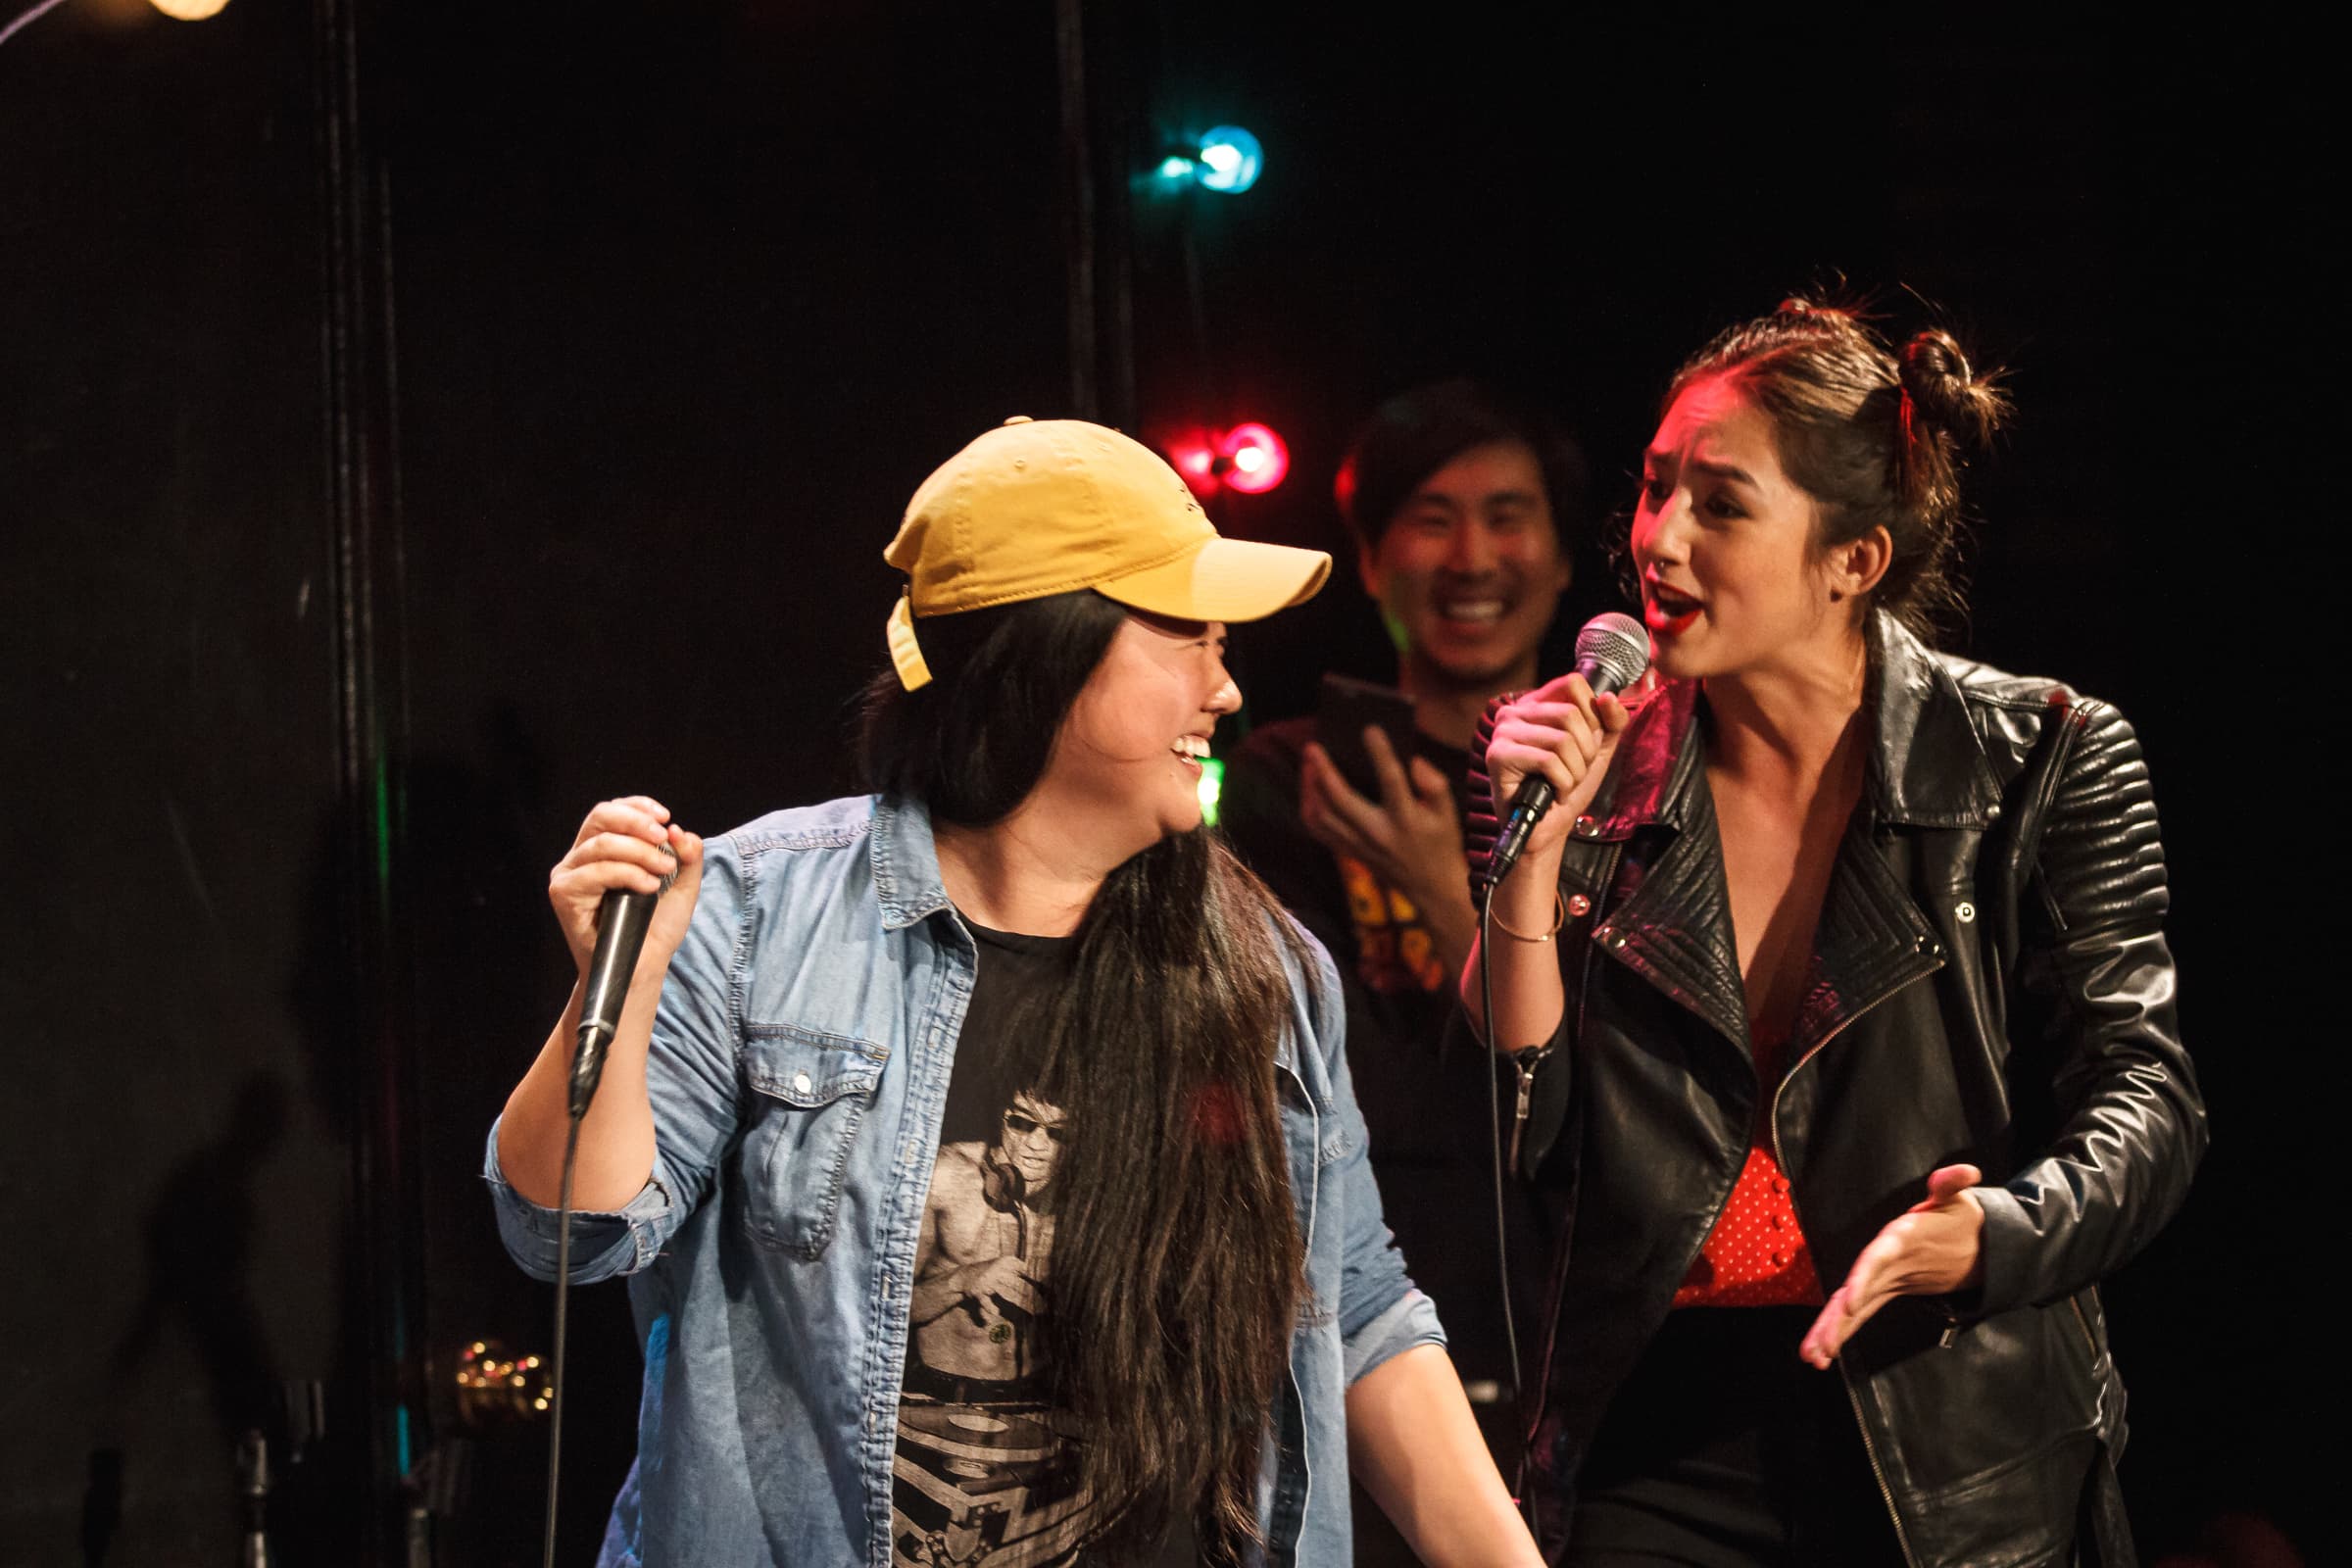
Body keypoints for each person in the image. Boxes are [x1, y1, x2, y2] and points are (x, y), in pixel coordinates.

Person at [486, 416, 1543, 1566]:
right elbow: (567, 1231)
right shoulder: (757, 916)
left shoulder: (1265, 966)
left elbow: (1358, 1306)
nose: (1225, 686)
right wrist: (614, 992)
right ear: (1045, 648)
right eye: (1187, 636)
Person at [1468, 302, 2205, 1566]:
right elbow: (1520, 1124)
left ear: (1852, 559)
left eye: (1720, 504)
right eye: (1654, 487)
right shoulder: (1588, 762)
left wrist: (1994, 1233)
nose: (1659, 538)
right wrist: (1529, 865)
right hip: (1652, 1421)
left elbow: (2149, 1101)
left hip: (1950, 1420)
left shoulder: (2041, 759)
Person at [1217, 381, 1595, 1497]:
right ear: (1373, 561)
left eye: (1508, 516)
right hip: (1360, 1304)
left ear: (1562, 559)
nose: (1472, 557)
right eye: (1433, 519)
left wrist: (1441, 884)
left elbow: (1585, 1087)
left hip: (1562, 1299)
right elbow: (1305, 1087)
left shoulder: (1620, 786)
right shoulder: (1297, 779)